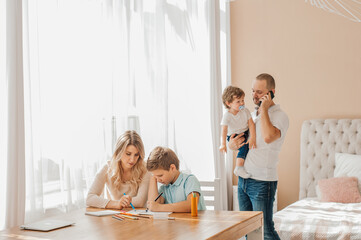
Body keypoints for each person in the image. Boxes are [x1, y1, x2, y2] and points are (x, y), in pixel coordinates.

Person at [228, 73, 289, 240]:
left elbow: (269, 137)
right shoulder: (251, 115)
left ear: (271, 92)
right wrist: (231, 145)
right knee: (249, 231)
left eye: (259, 92)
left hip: (262, 182)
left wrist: (264, 110)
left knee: (266, 231)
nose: (254, 96)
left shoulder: (280, 116)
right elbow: (246, 144)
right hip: (244, 180)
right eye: (253, 91)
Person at [86, 130, 151, 209]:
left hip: (138, 217)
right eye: (128, 154)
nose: (132, 160)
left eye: (136, 155)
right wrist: (116, 204)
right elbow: (90, 198)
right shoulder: (107, 167)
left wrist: (121, 203)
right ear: (119, 152)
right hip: (116, 216)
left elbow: (140, 201)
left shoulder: (144, 169)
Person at [146, 146, 206, 212]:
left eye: (160, 175)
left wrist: (160, 208)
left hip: (194, 221)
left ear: (172, 168)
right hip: (177, 221)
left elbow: (191, 205)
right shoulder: (164, 187)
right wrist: (153, 178)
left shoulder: (189, 180)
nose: (158, 180)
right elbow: (153, 205)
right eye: (155, 177)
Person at [219, 86, 256, 178]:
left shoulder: (245, 111)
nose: (242, 103)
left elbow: (251, 124)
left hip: (245, 131)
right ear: (229, 103)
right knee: (244, 147)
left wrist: (252, 137)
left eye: (243, 100)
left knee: (247, 145)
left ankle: (241, 166)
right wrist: (223, 144)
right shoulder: (227, 116)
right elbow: (224, 130)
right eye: (238, 101)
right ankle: (239, 167)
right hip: (234, 135)